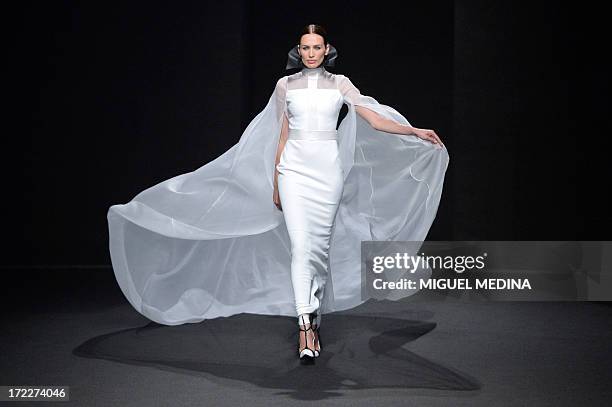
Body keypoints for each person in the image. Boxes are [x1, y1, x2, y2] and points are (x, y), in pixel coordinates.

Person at [107, 24, 449, 365]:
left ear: (326, 49)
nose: (311, 53)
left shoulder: (340, 84)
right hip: (293, 172)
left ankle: (313, 313)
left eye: (317, 47)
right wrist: (275, 181)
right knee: (301, 247)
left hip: (328, 173)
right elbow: (281, 135)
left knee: (320, 249)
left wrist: (413, 130)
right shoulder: (284, 86)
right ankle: (305, 326)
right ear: (298, 51)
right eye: (305, 48)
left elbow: (372, 119)